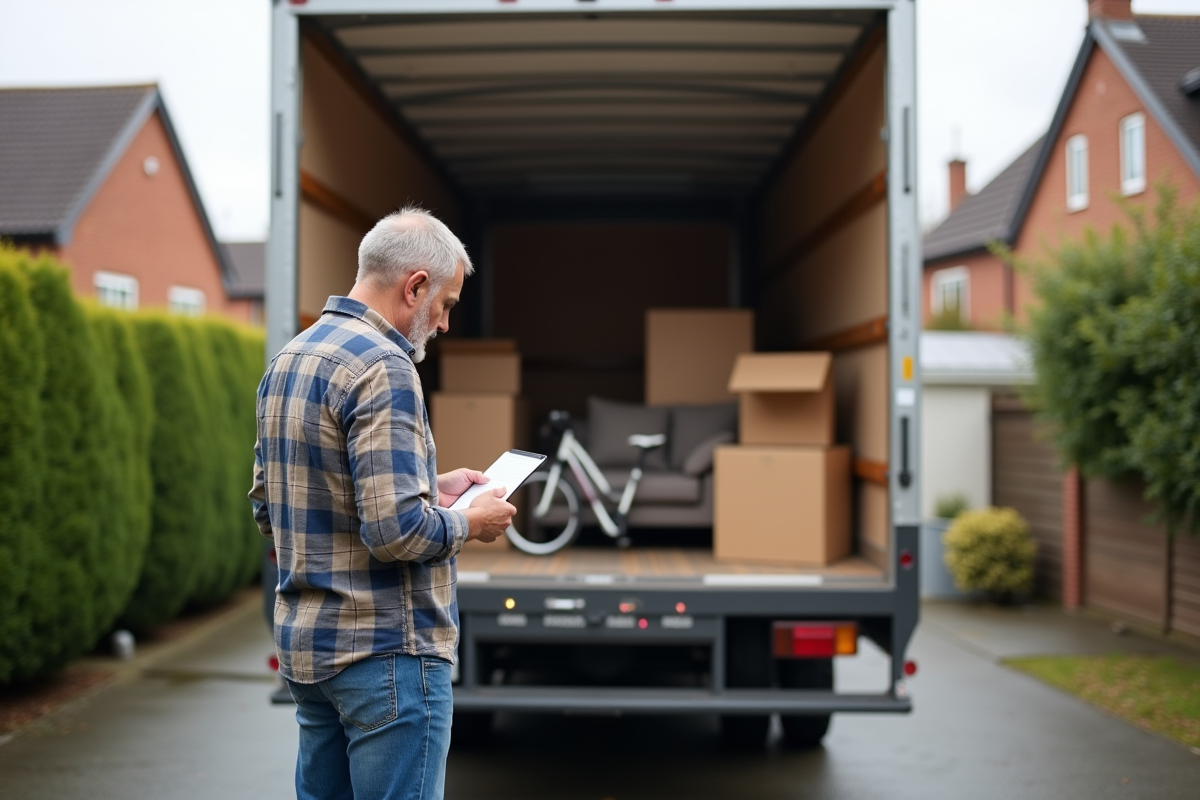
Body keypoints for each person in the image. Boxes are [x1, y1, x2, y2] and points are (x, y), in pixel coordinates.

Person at [249, 206, 515, 800]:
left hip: (310, 654)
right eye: (444, 305)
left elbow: (271, 507)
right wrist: (470, 521)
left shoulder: (290, 359)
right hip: (386, 657)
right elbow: (396, 532)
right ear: (414, 285)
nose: (443, 324)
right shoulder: (385, 366)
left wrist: (427, 482)